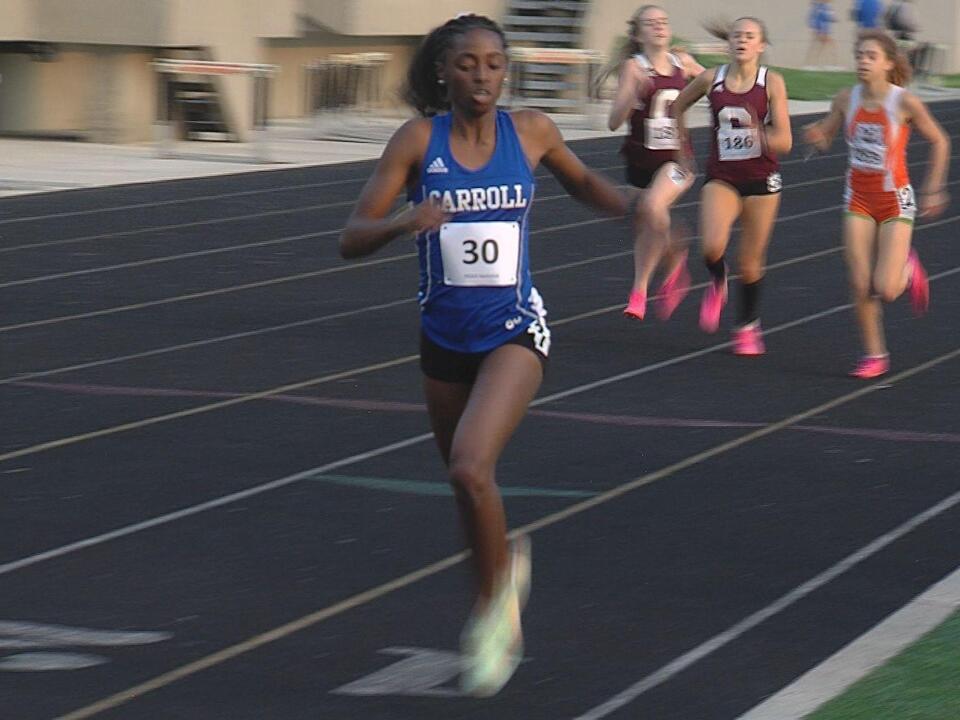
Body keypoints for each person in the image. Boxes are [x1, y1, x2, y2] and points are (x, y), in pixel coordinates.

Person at [339, 14, 641, 696]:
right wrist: (402, 222)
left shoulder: (529, 132)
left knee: (473, 465)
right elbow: (350, 236)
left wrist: (635, 207)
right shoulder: (419, 141)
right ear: (443, 71)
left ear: (508, 71)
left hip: (514, 329)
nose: (483, 75)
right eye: (468, 63)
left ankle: (492, 612)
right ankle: (500, 577)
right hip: (443, 336)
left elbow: (581, 182)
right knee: (462, 481)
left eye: (494, 63)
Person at [803, 31, 949, 378]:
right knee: (859, 282)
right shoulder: (844, 98)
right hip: (857, 198)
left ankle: (908, 268)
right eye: (859, 55)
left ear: (888, 63)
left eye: (870, 56)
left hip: (895, 200)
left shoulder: (904, 102)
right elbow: (827, 133)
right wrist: (817, 136)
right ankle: (874, 354)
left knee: (886, 288)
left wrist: (933, 187)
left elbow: (940, 140)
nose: (862, 62)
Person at [670, 17, 793, 355]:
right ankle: (717, 277)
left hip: (762, 179)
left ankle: (747, 325)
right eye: (737, 35)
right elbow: (676, 107)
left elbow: (785, 140)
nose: (742, 40)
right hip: (723, 177)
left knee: (751, 263)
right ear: (730, 43)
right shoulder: (712, 79)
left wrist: (759, 134)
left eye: (750, 36)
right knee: (710, 247)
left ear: (761, 46)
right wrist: (683, 152)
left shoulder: (772, 82)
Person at [607, 4, 704, 321]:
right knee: (647, 225)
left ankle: (639, 292)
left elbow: (715, 86)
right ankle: (676, 255)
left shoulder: (683, 62)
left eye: (663, 22)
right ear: (638, 34)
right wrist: (631, 92)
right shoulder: (633, 67)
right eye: (651, 23)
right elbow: (613, 121)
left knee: (652, 207)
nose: (659, 27)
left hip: (677, 160)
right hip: (639, 160)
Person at [805, 1, 839, 69]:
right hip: (823, 31)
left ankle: (811, 64)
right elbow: (823, 18)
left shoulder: (820, 7)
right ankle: (830, 65)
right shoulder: (822, 7)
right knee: (829, 47)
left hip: (822, 31)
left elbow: (825, 17)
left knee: (818, 48)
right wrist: (820, 31)